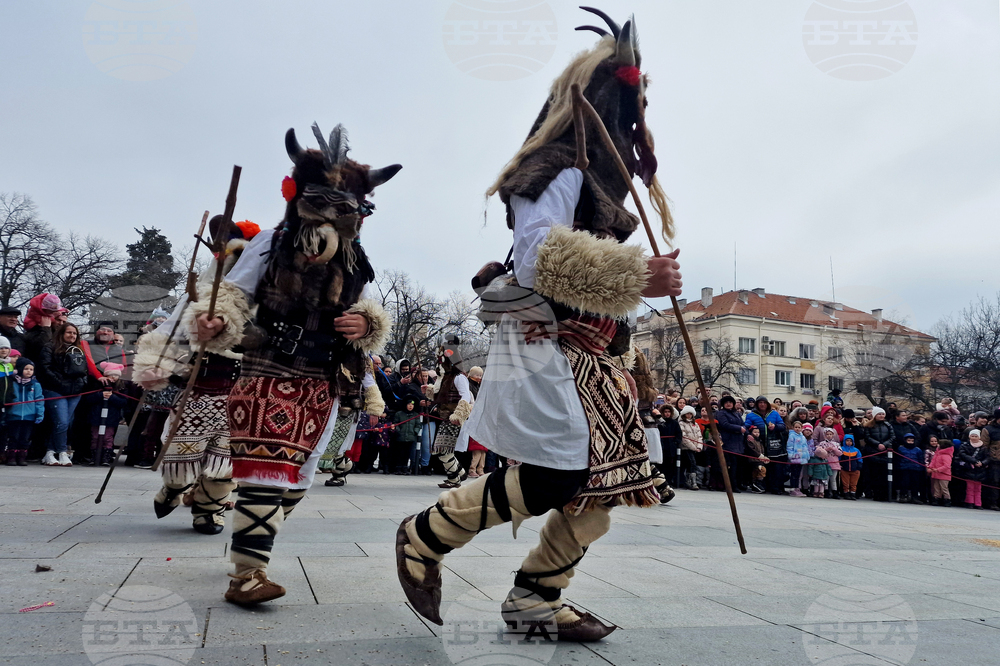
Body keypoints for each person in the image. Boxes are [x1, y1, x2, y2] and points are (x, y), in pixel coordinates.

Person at [395, 11, 682, 641]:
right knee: (564, 474)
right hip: (547, 342)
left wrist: (630, 313)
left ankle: (536, 598)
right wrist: (638, 276)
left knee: (605, 488)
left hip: (595, 353)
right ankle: (426, 534)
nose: (630, 123)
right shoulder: (552, 163)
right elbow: (537, 254)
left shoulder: (603, 182)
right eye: (622, 104)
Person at [190, 123, 396, 604]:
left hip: (324, 377)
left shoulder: (356, 258)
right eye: (323, 202)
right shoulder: (271, 241)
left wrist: (366, 325)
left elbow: (367, 309)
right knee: (265, 469)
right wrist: (214, 319)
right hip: (269, 367)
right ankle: (247, 575)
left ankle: (251, 541)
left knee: (299, 476)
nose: (334, 216)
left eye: (347, 208)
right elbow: (234, 292)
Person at [136, 219, 269, 534]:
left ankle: (209, 510)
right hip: (201, 383)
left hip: (245, 388)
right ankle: (174, 487)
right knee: (181, 455)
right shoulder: (207, 290)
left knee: (227, 460)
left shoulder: (268, 295)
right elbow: (172, 327)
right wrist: (155, 360)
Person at [37, 322, 88, 466]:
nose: (72, 335)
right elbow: (45, 368)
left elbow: (84, 369)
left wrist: (82, 383)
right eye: (69, 332)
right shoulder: (49, 347)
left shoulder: (79, 349)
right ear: (61, 333)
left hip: (75, 391)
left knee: (66, 423)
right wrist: (60, 383)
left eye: (74, 333)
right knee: (62, 421)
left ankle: (50, 452)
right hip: (55, 390)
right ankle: (62, 451)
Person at [4, 356, 44, 466]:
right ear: (20, 369)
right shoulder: (12, 382)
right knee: (13, 436)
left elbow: (39, 399)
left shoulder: (35, 384)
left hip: (29, 416)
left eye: (31, 369)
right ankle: (11, 457)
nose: (29, 371)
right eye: (26, 369)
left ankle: (22, 457)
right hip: (14, 415)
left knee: (25, 437)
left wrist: (39, 413)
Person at [84, 381, 128, 467]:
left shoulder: (121, 388)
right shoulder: (97, 386)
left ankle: (106, 457)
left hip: (111, 418)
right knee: (95, 437)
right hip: (96, 417)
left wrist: (112, 397)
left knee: (108, 438)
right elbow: (88, 399)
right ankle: (94, 457)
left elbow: (123, 402)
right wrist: (100, 395)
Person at [862, 407, 894, 501]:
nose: (881, 416)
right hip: (872, 452)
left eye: (882, 414)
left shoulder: (888, 425)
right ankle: (875, 493)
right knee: (874, 474)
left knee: (884, 474)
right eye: (879, 414)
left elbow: (892, 436)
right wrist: (877, 444)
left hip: (884, 452)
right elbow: (867, 437)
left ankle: (884, 494)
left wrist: (884, 444)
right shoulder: (868, 425)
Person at [956, 430, 988, 509]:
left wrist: (982, 463)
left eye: (976, 436)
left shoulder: (984, 447)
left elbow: (988, 457)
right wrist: (974, 461)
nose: (974, 438)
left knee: (978, 488)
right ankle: (969, 502)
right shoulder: (964, 445)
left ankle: (978, 503)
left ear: (979, 437)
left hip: (980, 469)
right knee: (969, 487)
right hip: (969, 468)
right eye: (972, 436)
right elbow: (962, 454)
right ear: (969, 436)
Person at [391, 397, 423, 475]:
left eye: (412, 405)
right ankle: (398, 467)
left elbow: (418, 425)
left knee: (407, 453)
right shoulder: (399, 414)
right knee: (399, 453)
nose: (410, 406)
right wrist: (398, 431)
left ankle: (405, 467)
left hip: (410, 437)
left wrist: (415, 432)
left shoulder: (415, 415)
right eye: (409, 404)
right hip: (400, 437)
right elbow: (396, 423)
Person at [979, 410, 1000, 511]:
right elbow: (984, 446)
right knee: (994, 482)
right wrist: (987, 459)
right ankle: (993, 503)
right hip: (994, 460)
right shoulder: (988, 429)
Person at [679, 405, 703, 490]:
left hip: (695, 448)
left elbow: (699, 436)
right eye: (687, 414)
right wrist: (693, 447)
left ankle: (690, 480)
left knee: (692, 464)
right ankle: (692, 482)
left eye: (690, 414)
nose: (689, 415)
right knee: (691, 463)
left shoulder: (695, 424)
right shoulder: (681, 423)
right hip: (686, 448)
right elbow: (684, 437)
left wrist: (699, 446)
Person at [896, 433, 925, 504]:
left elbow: (921, 459)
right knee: (904, 483)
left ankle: (914, 497)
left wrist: (921, 468)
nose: (910, 442)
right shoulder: (900, 449)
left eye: (912, 441)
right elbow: (898, 459)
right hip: (904, 468)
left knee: (915, 483)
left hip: (915, 468)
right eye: (909, 440)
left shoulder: (917, 450)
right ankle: (903, 496)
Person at [815, 428, 843, 498]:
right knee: (826, 478)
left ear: (833, 435)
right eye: (827, 434)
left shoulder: (836, 444)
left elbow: (840, 453)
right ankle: (826, 491)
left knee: (833, 479)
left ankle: (835, 492)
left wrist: (834, 449)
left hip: (834, 463)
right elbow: (818, 452)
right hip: (825, 463)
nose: (829, 436)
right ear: (824, 435)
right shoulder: (822, 444)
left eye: (830, 434)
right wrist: (826, 450)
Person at [786, 421, 810, 498]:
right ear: (793, 428)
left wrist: (806, 456)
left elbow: (805, 448)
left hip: (801, 458)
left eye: (799, 427)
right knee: (794, 474)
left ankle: (797, 488)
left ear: (801, 428)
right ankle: (793, 488)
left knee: (798, 474)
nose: (797, 429)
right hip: (794, 458)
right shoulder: (792, 436)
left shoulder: (803, 437)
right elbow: (789, 446)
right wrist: (791, 455)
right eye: (796, 427)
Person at [927, 439, 954, 506]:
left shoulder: (947, 455)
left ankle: (947, 500)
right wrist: (930, 467)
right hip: (936, 474)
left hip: (944, 475)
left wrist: (938, 469)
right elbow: (933, 461)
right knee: (936, 487)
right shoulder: (937, 453)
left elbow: (946, 466)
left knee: (944, 488)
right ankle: (936, 499)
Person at [839, 434, 863, 500]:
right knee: (845, 483)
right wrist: (840, 465)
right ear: (844, 441)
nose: (849, 442)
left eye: (850, 441)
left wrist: (859, 467)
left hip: (855, 469)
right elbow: (839, 458)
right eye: (847, 440)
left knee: (853, 483)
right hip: (844, 469)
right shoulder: (842, 449)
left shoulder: (856, 450)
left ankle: (853, 494)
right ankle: (846, 493)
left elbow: (860, 459)